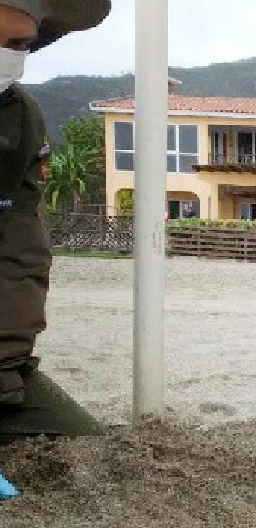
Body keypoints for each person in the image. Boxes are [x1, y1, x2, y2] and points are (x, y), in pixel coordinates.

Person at [0, 0, 112, 499]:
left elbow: (19, 250)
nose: (6, 55)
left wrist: (5, 367)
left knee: (91, 452)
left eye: (19, 44)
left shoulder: (17, 115)